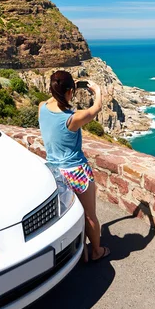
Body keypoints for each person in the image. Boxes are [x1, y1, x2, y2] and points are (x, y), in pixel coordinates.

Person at [38, 70, 110, 262]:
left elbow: (54, 98)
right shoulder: (73, 118)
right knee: (90, 216)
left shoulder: (41, 107)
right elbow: (96, 109)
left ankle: (80, 252)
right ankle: (96, 251)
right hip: (76, 172)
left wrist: (65, 88)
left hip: (54, 172)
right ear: (70, 91)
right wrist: (97, 91)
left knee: (66, 214)